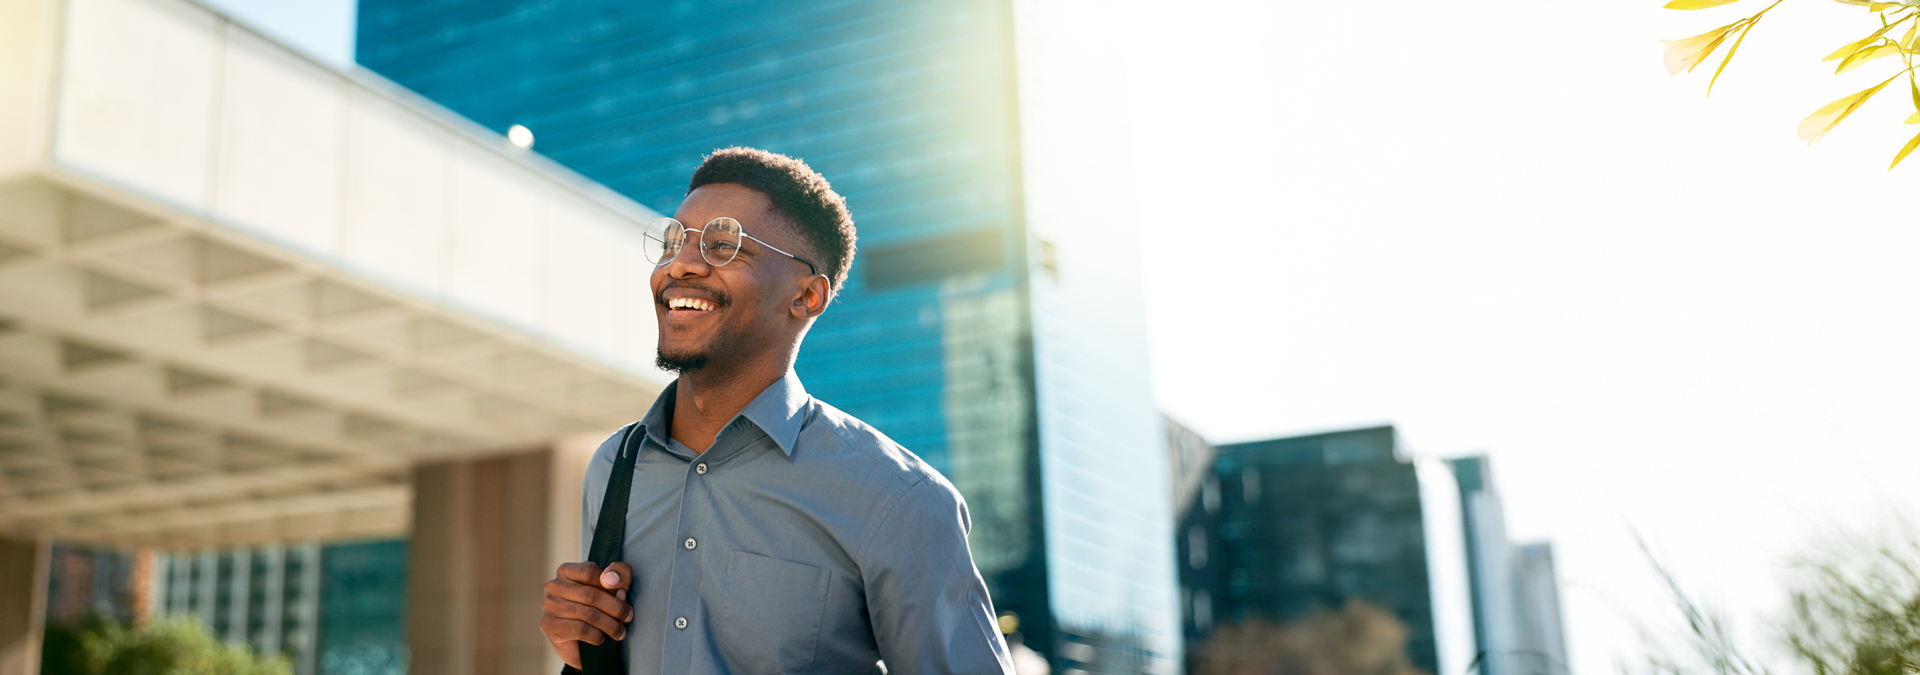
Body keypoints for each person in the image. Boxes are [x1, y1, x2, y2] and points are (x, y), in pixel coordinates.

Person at [538, 147, 1015, 675]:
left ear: (807, 296)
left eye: (724, 245)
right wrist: (581, 649)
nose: (681, 265)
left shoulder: (901, 501)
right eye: (675, 242)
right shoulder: (614, 466)